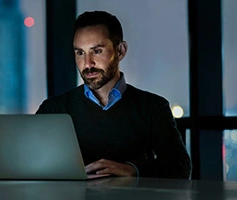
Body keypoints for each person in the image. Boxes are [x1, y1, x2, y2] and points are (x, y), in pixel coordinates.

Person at [36, 10, 192, 179]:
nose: (87, 63)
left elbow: (180, 166)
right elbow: (28, 163)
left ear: (120, 51)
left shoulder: (152, 107)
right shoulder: (53, 109)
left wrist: (131, 169)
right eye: (80, 53)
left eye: (96, 51)